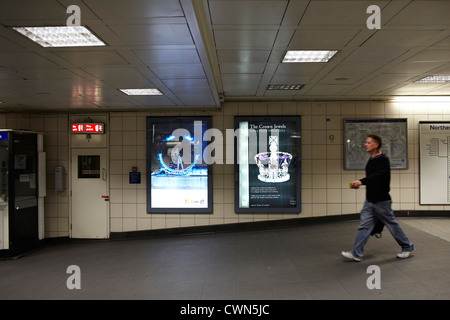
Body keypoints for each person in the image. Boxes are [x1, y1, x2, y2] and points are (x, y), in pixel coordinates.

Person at [341, 134, 415, 262]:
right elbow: (373, 179)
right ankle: (357, 253)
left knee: (392, 224)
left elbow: (378, 176)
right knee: (364, 226)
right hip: (370, 200)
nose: (366, 144)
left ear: (376, 145)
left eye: (368, 143)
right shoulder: (372, 159)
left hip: (381, 201)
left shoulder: (383, 159)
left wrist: (361, 181)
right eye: (366, 142)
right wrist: (362, 183)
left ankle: (407, 247)